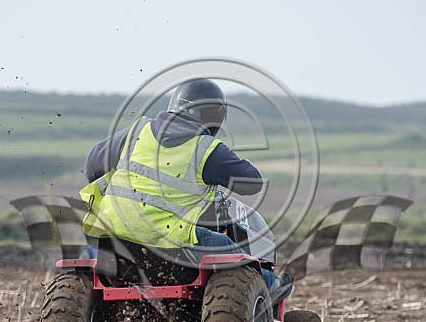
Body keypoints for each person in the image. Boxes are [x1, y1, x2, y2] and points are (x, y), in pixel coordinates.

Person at [81, 78, 292, 303]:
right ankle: (270, 285)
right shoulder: (206, 149)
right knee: (236, 253)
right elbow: (252, 183)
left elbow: (91, 167)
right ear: (214, 116)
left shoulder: (135, 133)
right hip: (173, 250)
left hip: (112, 241)